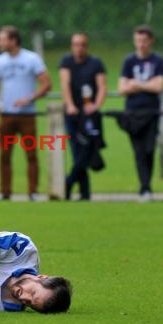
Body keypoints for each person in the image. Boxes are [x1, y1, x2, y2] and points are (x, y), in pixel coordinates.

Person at [0, 26, 52, 201]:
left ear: (13, 41)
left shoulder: (32, 59)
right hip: (7, 115)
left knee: (31, 154)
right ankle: (5, 192)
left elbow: (47, 84)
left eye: (2, 39)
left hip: (27, 115)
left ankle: (33, 192)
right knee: (4, 154)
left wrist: (30, 98)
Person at [117, 25, 163, 202]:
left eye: (144, 41)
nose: (141, 44)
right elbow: (122, 88)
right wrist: (146, 85)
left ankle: (147, 185)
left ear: (151, 41)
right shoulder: (129, 61)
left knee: (149, 149)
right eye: (138, 41)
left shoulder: (157, 60)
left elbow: (158, 86)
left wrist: (136, 84)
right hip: (133, 113)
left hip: (151, 112)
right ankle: (144, 187)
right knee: (138, 151)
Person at [60, 32, 107, 200]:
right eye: (75, 44)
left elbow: (102, 86)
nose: (79, 48)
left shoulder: (95, 63)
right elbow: (64, 84)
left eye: (82, 44)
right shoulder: (67, 62)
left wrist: (96, 105)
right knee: (76, 151)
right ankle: (84, 193)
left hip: (90, 116)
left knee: (87, 151)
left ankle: (69, 182)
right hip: (73, 115)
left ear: (86, 46)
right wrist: (70, 105)